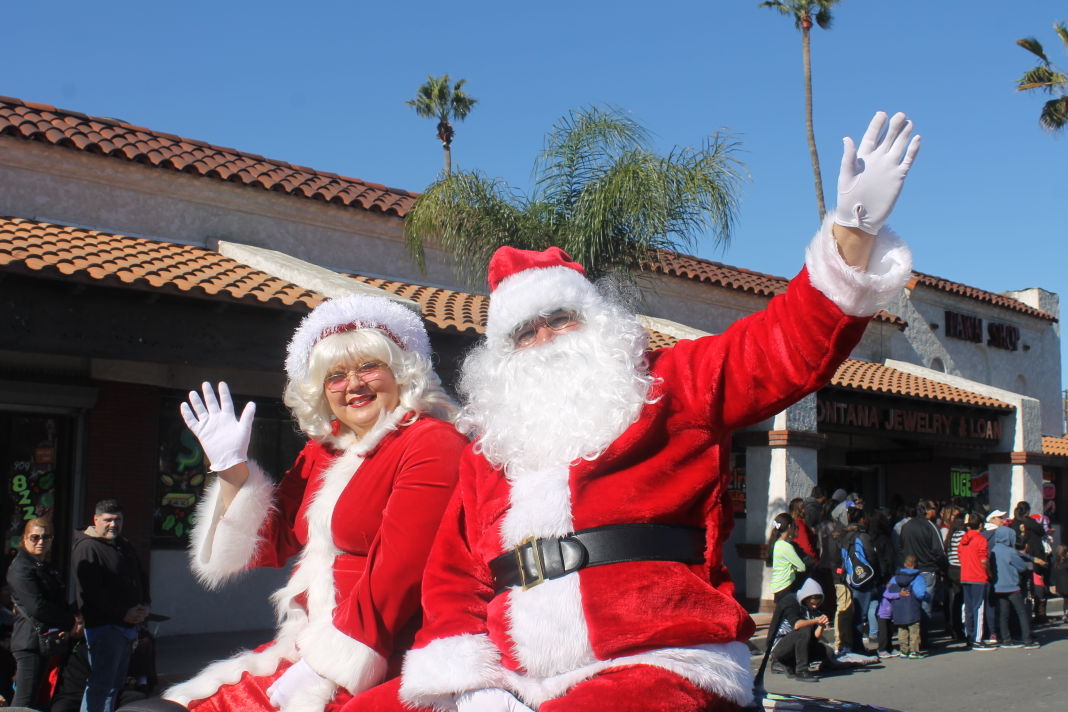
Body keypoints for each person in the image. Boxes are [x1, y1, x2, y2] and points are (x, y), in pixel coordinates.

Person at [352, 111, 919, 712]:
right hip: (512, 678)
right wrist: (468, 683)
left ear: (596, 323)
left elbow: (784, 348)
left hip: (659, 660)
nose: (545, 341)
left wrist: (851, 235)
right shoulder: (490, 451)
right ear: (502, 355)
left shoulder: (673, 387)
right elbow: (452, 581)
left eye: (559, 319)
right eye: (525, 332)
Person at [162, 295, 467, 712]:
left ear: (401, 371)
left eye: (368, 367)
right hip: (310, 646)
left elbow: (398, 575)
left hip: (383, 657)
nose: (353, 384)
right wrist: (232, 470)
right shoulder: (325, 451)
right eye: (335, 375)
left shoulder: (432, 442)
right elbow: (270, 542)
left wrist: (326, 667)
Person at [73, 499, 151, 712]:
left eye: (118, 519)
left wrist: (144, 605)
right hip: (105, 627)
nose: (113, 524)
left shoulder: (122, 544)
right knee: (102, 685)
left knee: (114, 685)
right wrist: (123, 613)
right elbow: (92, 593)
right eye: (107, 520)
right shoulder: (87, 547)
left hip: (127, 627)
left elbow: (139, 577)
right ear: (95, 520)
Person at [7, 517, 78, 709]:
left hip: (45, 640)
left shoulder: (43, 566)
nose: (41, 542)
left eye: (46, 537)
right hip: (29, 642)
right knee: (24, 699)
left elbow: (56, 601)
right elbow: (36, 606)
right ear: (24, 538)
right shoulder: (21, 568)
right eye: (35, 537)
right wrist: (70, 621)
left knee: (38, 697)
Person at [898, 499, 945, 648]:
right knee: (925, 606)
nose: (935, 511)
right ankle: (922, 640)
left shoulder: (906, 526)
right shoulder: (930, 526)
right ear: (926, 510)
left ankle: (911, 641)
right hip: (926, 570)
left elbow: (901, 547)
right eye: (933, 508)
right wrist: (940, 568)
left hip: (908, 571)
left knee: (910, 605)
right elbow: (940, 551)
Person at [768, 579, 829, 683]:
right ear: (805, 598)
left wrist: (821, 625)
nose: (814, 606)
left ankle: (790, 663)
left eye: (817, 604)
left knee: (827, 652)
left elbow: (814, 637)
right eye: (812, 603)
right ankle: (801, 670)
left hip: (799, 643)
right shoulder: (789, 602)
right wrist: (815, 620)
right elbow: (797, 625)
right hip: (779, 644)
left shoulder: (814, 609)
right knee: (804, 629)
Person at [989, 525, 1039, 649]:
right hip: (1012, 586)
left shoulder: (993, 550)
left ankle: (1006, 640)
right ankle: (1027, 640)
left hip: (998, 586)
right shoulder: (1010, 551)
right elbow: (1022, 567)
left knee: (1003, 614)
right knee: (1021, 612)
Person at [957, 513, 992, 649]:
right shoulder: (980, 539)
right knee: (978, 608)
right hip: (978, 576)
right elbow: (984, 559)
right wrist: (989, 572)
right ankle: (977, 639)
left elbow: (960, 556)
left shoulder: (963, 539)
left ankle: (969, 636)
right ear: (980, 525)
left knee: (968, 607)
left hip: (965, 575)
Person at [889, 554, 927, 659]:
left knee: (902, 630)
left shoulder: (895, 578)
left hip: (898, 608)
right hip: (912, 608)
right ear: (916, 565)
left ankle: (903, 650)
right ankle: (914, 651)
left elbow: (890, 590)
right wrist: (927, 596)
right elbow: (920, 593)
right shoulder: (917, 577)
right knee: (914, 631)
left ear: (905, 564)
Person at [766, 513, 805, 601]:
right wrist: (793, 568)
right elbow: (802, 567)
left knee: (780, 612)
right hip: (786, 585)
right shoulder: (786, 546)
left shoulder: (776, 544)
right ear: (789, 526)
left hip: (777, 585)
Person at [788, 498, 818, 565]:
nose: (806, 510)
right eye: (804, 507)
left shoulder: (793, 522)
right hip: (804, 559)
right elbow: (806, 546)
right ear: (799, 510)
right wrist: (815, 559)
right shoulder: (799, 524)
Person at [1050, 545, 1068, 624]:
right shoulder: (1066, 562)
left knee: (1065, 600)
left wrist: (1053, 585)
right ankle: (1066, 614)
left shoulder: (1055, 562)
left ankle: (1065, 614)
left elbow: (1052, 575)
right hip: (1066, 583)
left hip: (1060, 584)